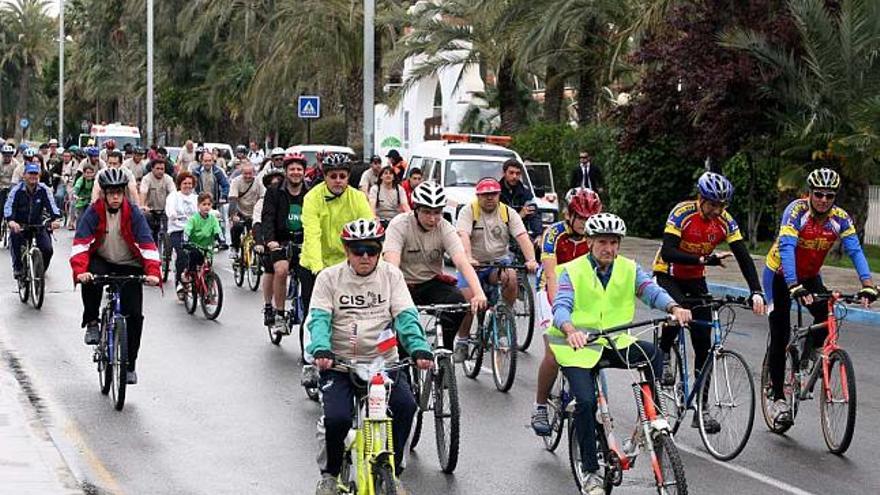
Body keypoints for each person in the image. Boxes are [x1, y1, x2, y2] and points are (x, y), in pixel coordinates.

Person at [548, 212, 691, 495]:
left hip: (616, 342)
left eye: (614, 242)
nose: (609, 248)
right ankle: (590, 472)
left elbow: (650, 291)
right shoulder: (572, 271)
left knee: (652, 354)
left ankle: (650, 420)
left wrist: (673, 308)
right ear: (589, 241)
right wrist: (569, 329)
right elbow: (561, 306)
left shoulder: (628, 268)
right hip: (578, 347)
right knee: (586, 404)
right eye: (602, 241)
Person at [307, 218, 433, 495]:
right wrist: (320, 348)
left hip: (383, 365)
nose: (365, 256)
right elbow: (318, 320)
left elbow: (406, 317)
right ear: (346, 250)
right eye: (357, 250)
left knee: (405, 406)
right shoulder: (329, 278)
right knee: (337, 419)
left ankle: (394, 472)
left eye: (372, 250)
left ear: (379, 250)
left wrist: (418, 347)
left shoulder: (391, 276)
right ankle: (329, 474)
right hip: (340, 364)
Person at [651, 172, 766, 431]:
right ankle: (665, 353)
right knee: (678, 310)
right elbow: (668, 251)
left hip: (695, 278)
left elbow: (743, 256)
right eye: (713, 204)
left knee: (704, 344)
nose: (717, 210)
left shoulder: (725, 221)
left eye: (722, 206)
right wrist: (702, 260)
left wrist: (756, 290)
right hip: (668, 274)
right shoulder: (682, 213)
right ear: (700, 198)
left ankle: (701, 408)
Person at [764, 168, 877, 426]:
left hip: (810, 275)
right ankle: (778, 397)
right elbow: (788, 248)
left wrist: (868, 284)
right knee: (780, 331)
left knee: (826, 317)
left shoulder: (840, 218)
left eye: (829, 195)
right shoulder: (795, 212)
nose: (824, 200)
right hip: (780, 275)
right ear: (809, 193)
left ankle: (805, 357)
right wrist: (793, 285)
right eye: (819, 194)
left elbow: (855, 251)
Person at [70, 168, 161, 384]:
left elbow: (147, 244)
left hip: (129, 264)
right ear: (104, 194)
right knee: (90, 277)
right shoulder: (94, 211)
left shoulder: (134, 214)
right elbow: (81, 244)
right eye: (111, 193)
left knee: (135, 316)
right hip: (102, 260)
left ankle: (130, 365)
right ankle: (92, 321)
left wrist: (153, 273)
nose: (115, 197)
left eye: (119, 193)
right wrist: (81, 272)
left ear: (124, 193)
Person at [531, 188, 602, 436]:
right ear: (569, 215)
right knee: (554, 352)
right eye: (581, 218)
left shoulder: (596, 237)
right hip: (549, 290)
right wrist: (559, 315)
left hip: (578, 292)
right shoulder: (554, 234)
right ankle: (540, 406)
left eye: (590, 218)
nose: (585, 224)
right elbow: (551, 275)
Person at [383, 182, 488, 351]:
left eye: (437, 212)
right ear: (416, 209)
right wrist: (397, 298)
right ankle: (404, 361)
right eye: (426, 212)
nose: (432, 219)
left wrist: (478, 293)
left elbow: (461, 261)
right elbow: (392, 264)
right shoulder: (399, 224)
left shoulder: (444, 227)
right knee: (404, 341)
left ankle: (443, 352)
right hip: (402, 284)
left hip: (430, 282)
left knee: (458, 304)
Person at [454, 177, 538, 360]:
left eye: (493, 194)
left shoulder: (507, 213)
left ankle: (502, 320)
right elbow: (463, 236)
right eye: (485, 195)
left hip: (497, 262)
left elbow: (522, 236)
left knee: (512, 277)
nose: (490, 198)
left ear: (499, 195)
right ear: (478, 196)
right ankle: (463, 339)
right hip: (473, 265)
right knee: (466, 301)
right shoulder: (469, 211)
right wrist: (468, 257)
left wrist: (531, 259)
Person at [300, 153, 374, 277]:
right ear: (325, 177)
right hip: (316, 262)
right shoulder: (312, 197)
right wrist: (317, 268)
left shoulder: (358, 197)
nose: (338, 180)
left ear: (348, 177)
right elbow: (312, 234)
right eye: (333, 176)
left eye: (342, 176)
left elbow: (369, 232)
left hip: (348, 263)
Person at [260, 153, 309, 335]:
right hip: (280, 240)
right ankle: (279, 314)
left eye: (299, 169)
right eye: (292, 169)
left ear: (304, 172)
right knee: (280, 270)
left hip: (304, 240)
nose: (295, 173)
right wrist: (270, 240)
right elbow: (268, 217)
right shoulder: (274, 191)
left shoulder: (310, 192)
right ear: (286, 172)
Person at [4, 163, 62, 278]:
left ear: (39, 176)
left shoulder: (43, 189)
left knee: (48, 249)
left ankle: (39, 273)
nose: (33, 176)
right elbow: (9, 206)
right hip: (20, 225)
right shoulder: (17, 190)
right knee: (15, 241)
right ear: (24, 175)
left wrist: (56, 219)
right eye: (30, 173)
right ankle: (18, 267)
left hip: (38, 225)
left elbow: (52, 205)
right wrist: (11, 221)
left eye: (35, 174)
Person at [253, 168, 285, 326]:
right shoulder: (261, 202)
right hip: (269, 239)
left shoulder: (287, 197)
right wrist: (261, 242)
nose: (276, 184)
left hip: (286, 240)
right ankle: (268, 305)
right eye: (273, 182)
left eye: (279, 181)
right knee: (270, 269)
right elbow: (258, 224)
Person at [165, 172, 200, 297]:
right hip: (177, 230)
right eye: (185, 183)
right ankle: (180, 282)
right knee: (182, 254)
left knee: (201, 254)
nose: (187, 186)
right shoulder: (173, 196)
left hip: (194, 231)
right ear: (180, 184)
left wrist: (213, 213)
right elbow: (169, 208)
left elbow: (205, 208)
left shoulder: (196, 198)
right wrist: (172, 214)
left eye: (190, 183)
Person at [192, 152, 230, 249]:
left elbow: (225, 185)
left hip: (215, 201)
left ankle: (221, 240)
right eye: (205, 161)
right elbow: (192, 185)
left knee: (220, 220)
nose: (207, 163)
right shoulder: (196, 172)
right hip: (201, 201)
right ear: (201, 161)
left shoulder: (218, 172)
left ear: (213, 161)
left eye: (209, 161)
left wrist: (223, 196)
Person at [228, 161, 263, 260]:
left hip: (254, 212)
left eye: (250, 173)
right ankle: (234, 247)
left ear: (254, 173)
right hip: (240, 211)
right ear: (241, 173)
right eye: (245, 173)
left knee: (257, 231)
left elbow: (263, 197)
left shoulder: (259, 182)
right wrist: (233, 215)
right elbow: (233, 199)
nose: (248, 176)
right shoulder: (236, 181)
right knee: (237, 227)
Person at [499, 158, 543, 238]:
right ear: (504, 173)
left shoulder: (525, 192)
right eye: (511, 173)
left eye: (517, 173)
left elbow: (534, 215)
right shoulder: (496, 192)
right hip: (498, 234)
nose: (514, 176)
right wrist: (519, 216)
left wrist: (539, 235)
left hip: (519, 234)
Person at [182, 192, 222, 277]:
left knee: (207, 269)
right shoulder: (193, 219)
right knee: (194, 258)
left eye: (209, 204)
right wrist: (185, 240)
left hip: (207, 249)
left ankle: (209, 285)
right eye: (204, 204)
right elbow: (187, 230)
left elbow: (217, 230)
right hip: (194, 247)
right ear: (198, 205)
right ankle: (188, 275)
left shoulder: (213, 219)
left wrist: (221, 240)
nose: (206, 207)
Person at [139, 157, 177, 244]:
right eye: (157, 168)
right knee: (149, 231)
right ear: (152, 168)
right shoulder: (146, 179)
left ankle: (167, 251)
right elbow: (143, 193)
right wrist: (143, 206)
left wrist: (173, 208)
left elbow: (173, 194)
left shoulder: (168, 179)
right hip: (150, 210)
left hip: (164, 210)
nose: (160, 171)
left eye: (162, 169)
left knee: (168, 232)